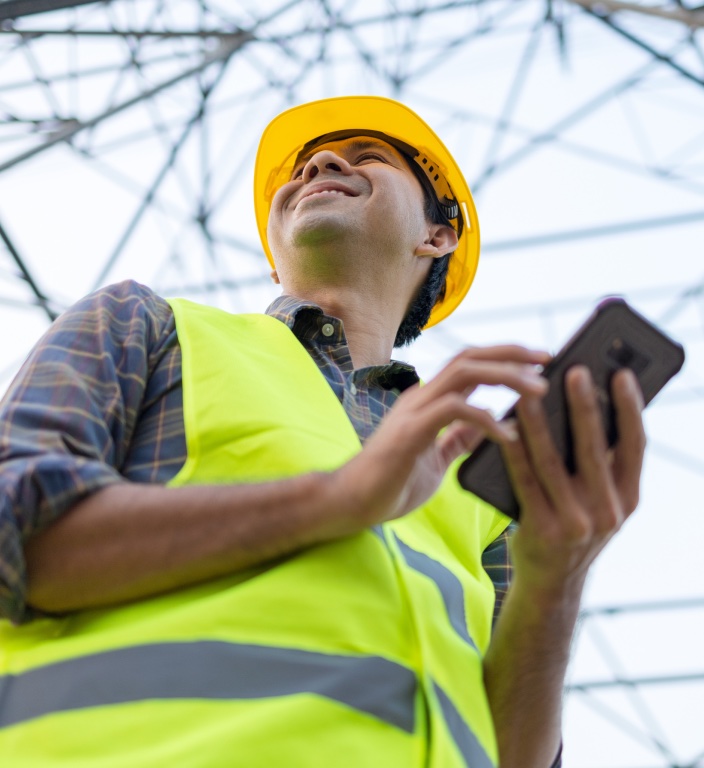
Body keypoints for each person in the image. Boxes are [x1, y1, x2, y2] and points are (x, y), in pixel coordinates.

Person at [0, 96, 645, 767]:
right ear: (276, 257)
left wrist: (558, 578)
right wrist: (336, 500)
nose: (322, 163)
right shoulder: (148, 326)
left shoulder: (481, 474)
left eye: (369, 156)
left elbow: (514, 755)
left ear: (438, 235)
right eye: (302, 168)